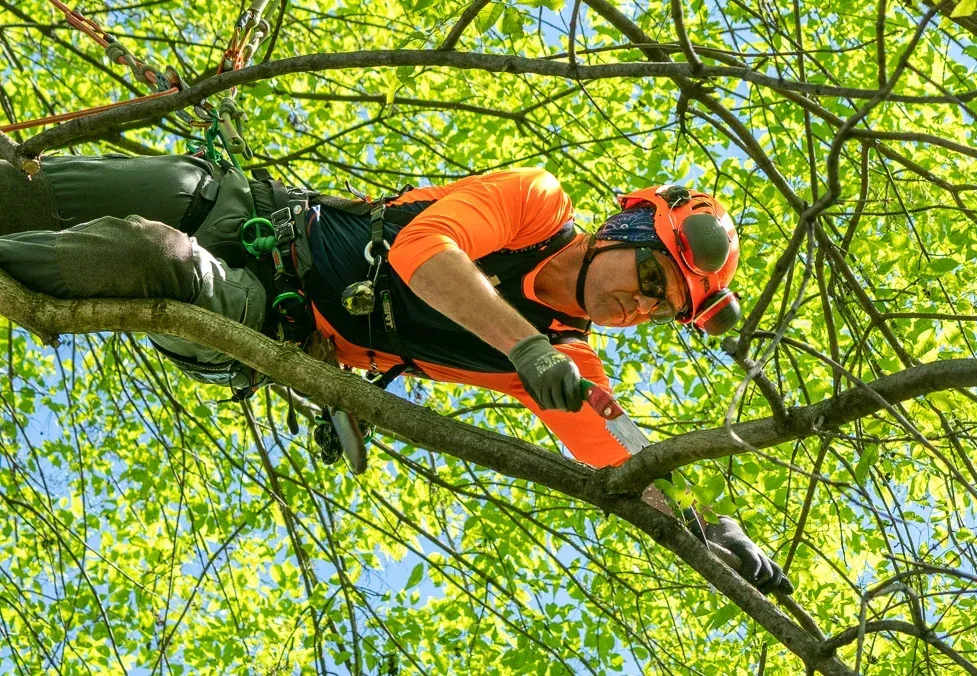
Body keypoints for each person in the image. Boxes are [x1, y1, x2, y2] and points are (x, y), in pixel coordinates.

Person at [0, 153, 793, 594]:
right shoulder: (534, 204)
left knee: (151, 259)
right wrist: (526, 346)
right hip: (237, 204)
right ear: (626, 229)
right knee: (17, 186)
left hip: (264, 317)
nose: (635, 306)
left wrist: (704, 525)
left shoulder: (568, 366)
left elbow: (626, 451)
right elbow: (424, 251)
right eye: (650, 280)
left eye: (657, 312)